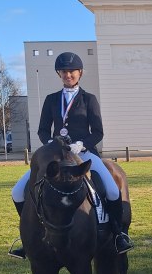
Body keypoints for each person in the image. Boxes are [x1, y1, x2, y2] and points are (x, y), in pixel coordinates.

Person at [9, 52, 134, 258]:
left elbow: (98, 132)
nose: (68, 75)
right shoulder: (51, 100)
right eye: (64, 72)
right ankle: (28, 238)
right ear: (60, 74)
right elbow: (42, 130)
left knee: (112, 190)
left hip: (84, 155)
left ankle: (118, 235)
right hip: (56, 157)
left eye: (72, 71)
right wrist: (49, 143)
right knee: (17, 191)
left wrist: (82, 145)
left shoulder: (89, 99)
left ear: (80, 73)